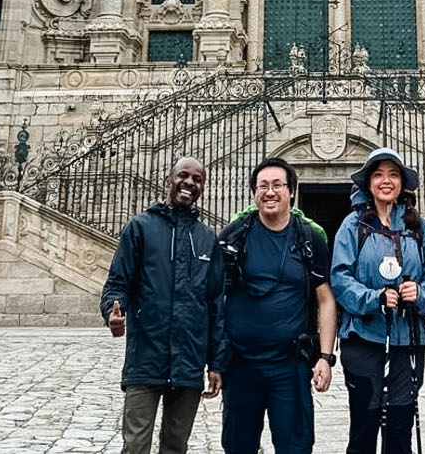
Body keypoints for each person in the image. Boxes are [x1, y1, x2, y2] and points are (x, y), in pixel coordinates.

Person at [101, 156, 227, 454]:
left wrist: (217, 363)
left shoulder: (207, 239)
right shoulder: (140, 228)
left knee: (175, 446)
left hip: (189, 362)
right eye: (184, 176)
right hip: (146, 357)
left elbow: (215, 306)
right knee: (136, 445)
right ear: (168, 180)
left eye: (197, 179)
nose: (190, 183)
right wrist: (112, 313)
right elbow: (118, 283)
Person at [217, 157, 337, 454]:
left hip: (290, 364)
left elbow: (325, 299)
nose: (270, 192)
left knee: (295, 446)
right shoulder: (235, 235)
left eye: (277, 185)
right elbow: (212, 297)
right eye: (263, 186)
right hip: (241, 364)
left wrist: (325, 357)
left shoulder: (309, 237)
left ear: (291, 191)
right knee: (238, 445)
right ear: (255, 192)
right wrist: (215, 359)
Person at [331, 147, 425, 454]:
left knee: (399, 427)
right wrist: (374, 298)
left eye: (393, 174)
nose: (386, 181)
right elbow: (340, 278)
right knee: (364, 427)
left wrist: (420, 293)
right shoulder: (352, 226)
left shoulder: (419, 227)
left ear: (402, 182)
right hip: (364, 337)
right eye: (378, 174)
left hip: (408, 339)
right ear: (368, 183)